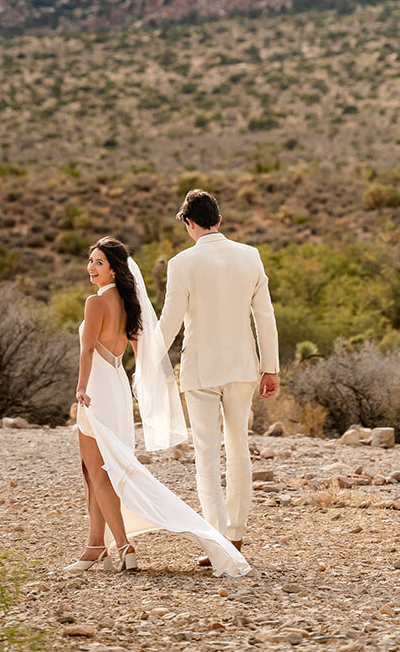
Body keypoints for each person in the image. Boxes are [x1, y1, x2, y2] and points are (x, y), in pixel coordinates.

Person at [66, 236, 249, 576]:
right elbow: (142, 351)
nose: (91, 268)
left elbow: (87, 350)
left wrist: (80, 389)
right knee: (100, 470)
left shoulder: (96, 303)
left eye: (99, 263)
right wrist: (138, 381)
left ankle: (123, 545)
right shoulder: (129, 303)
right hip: (117, 384)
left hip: (96, 386)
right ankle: (95, 546)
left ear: (114, 270)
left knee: (101, 471)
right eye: (90, 261)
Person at [158, 190, 279, 563]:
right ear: (219, 220)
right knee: (239, 447)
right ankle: (236, 536)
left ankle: (217, 543)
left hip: (200, 369)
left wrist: (147, 362)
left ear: (189, 224)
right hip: (243, 366)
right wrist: (270, 367)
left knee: (207, 456)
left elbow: (171, 322)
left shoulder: (182, 263)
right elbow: (265, 315)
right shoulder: (250, 256)